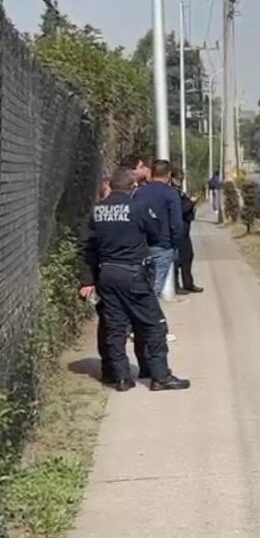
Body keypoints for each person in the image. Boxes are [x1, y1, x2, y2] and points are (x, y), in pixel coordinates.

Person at [78, 167, 190, 391]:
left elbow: (86, 247)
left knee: (115, 326)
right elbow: (155, 233)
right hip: (133, 273)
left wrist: (87, 280)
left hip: (107, 274)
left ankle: (121, 377)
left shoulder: (97, 211)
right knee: (154, 324)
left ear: (112, 185)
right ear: (133, 187)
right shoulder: (137, 208)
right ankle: (160, 376)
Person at [134, 160, 183, 296]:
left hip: (141, 246)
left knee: (142, 286)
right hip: (163, 246)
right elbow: (176, 224)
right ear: (168, 174)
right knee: (154, 290)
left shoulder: (139, 193)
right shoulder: (171, 194)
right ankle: (149, 316)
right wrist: (175, 244)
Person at [172, 169, 203, 294]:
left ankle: (188, 283)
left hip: (185, 230)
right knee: (177, 259)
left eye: (182, 179)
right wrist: (192, 202)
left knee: (188, 256)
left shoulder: (180, 192)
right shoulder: (173, 192)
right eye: (178, 179)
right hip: (178, 229)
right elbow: (182, 209)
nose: (180, 181)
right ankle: (175, 285)